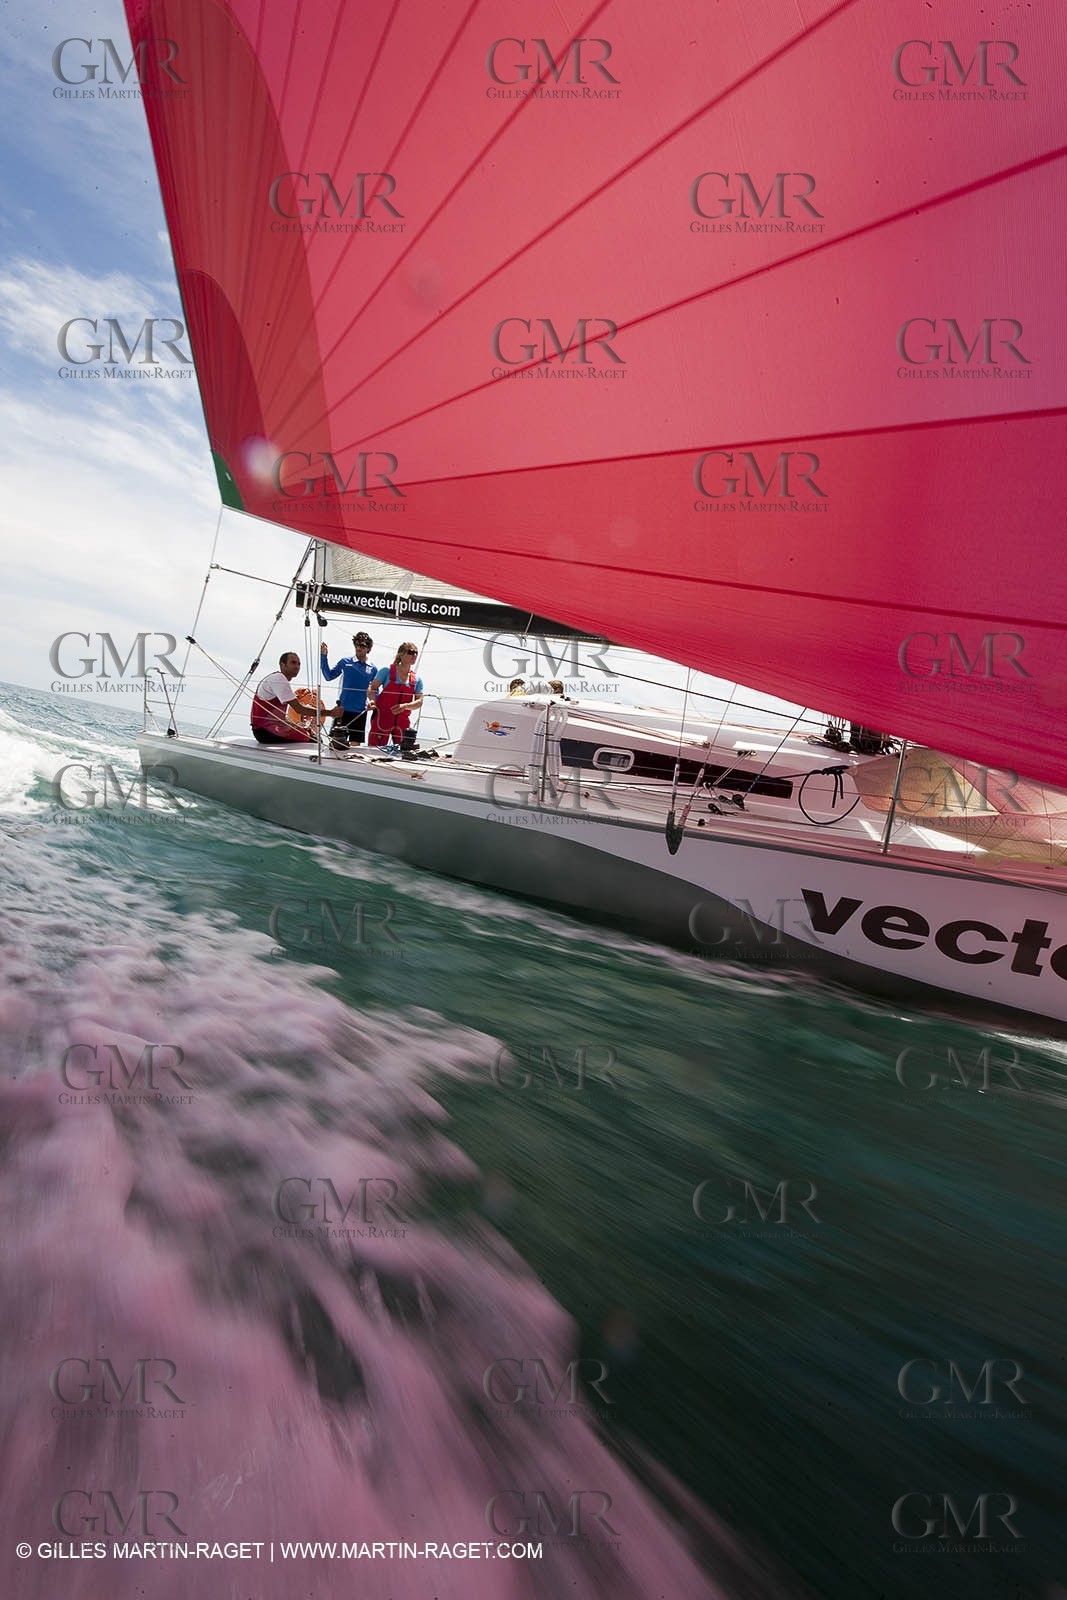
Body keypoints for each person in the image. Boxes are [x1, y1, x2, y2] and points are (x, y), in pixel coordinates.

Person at [321, 631, 376, 748]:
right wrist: (323, 656)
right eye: (356, 644)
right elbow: (328, 676)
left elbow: (375, 689)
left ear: (368, 648)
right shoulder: (345, 662)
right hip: (342, 709)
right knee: (336, 743)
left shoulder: (372, 668)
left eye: (362, 645)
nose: (358, 648)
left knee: (355, 746)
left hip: (360, 711)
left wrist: (373, 702)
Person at [367, 643, 424, 753]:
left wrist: (405, 706)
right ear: (401, 655)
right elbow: (372, 688)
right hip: (382, 719)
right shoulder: (386, 671)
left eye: (416, 653)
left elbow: (419, 701)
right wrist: (372, 701)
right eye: (411, 652)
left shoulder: (417, 679)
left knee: (405, 753)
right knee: (374, 752)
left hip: (402, 722)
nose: (414, 655)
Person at [250, 652, 314, 744]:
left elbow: (279, 718)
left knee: (309, 733)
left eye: (298, 664)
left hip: (265, 729)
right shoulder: (278, 679)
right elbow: (299, 709)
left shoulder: (278, 680)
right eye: (293, 663)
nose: (297, 666)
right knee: (311, 739)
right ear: (282, 665)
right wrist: (329, 713)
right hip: (265, 732)